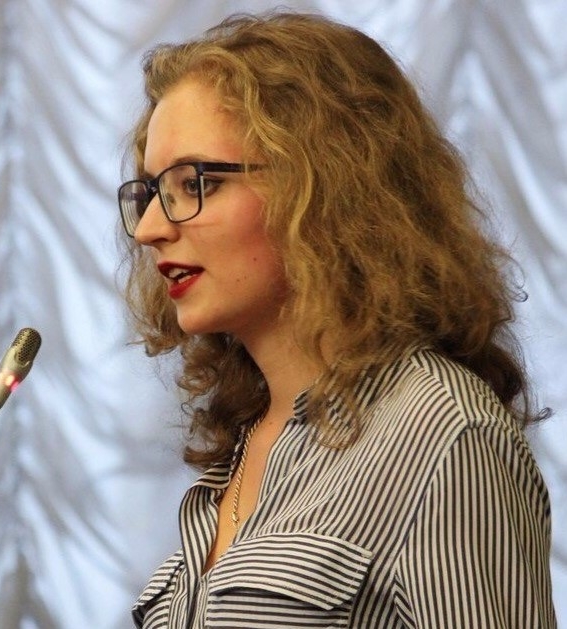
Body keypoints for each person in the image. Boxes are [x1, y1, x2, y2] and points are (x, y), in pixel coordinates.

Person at [117, 11, 556, 628]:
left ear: (322, 185)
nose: (149, 229)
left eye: (196, 184)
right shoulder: (239, 449)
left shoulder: (443, 432)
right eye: (150, 193)